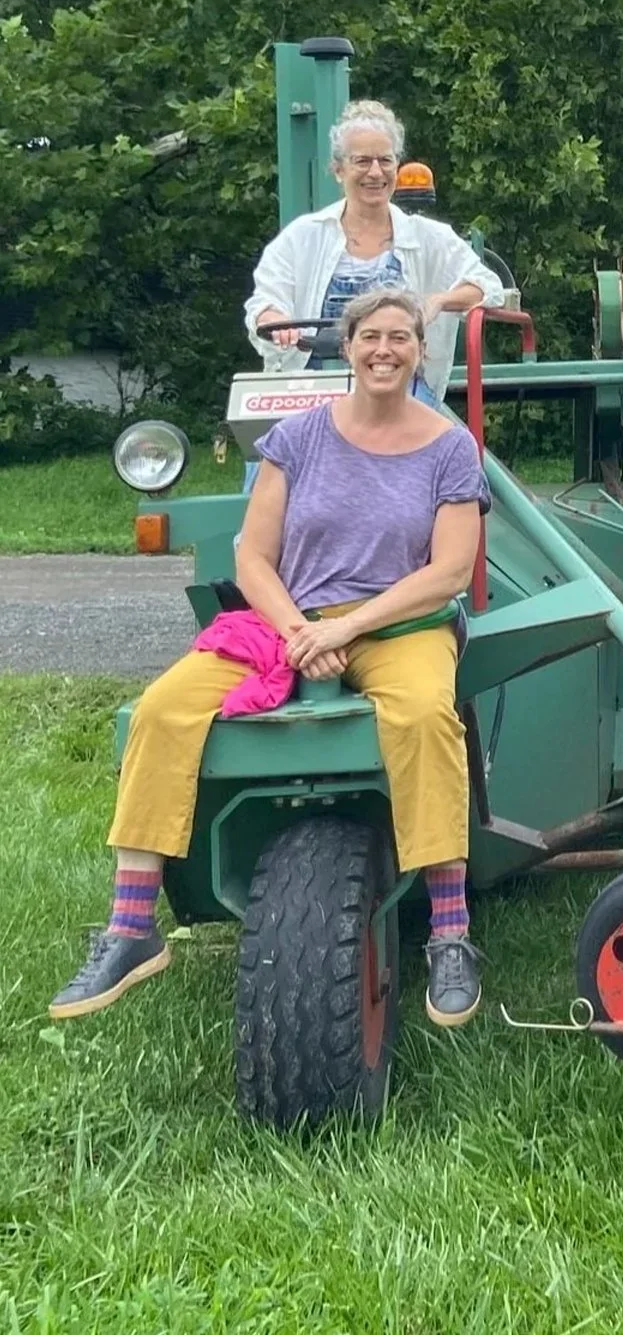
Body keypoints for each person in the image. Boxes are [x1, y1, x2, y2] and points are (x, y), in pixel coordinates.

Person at [51, 288, 490, 1026]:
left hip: (400, 624)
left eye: (400, 338)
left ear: (420, 349)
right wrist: (297, 631)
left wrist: (347, 631)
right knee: (161, 710)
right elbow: (253, 556)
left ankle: (450, 933)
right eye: (370, 337)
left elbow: (447, 571)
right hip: (289, 622)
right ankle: (131, 927)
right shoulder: (298, 437)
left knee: (422, 716)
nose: (385, 350)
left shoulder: (448, 447)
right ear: (347, 348)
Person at [245, 98, 504, 405]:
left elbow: (488, 287)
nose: (375, 172)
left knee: (431, 445)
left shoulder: (429, 237)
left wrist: (438, 300)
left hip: (401, 387)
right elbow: (265, 300)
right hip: (313, 385)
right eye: (363, 161)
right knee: (269, 451)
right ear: (339, 170)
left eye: (385, 160)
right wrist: (273, 314)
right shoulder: (302, 237)